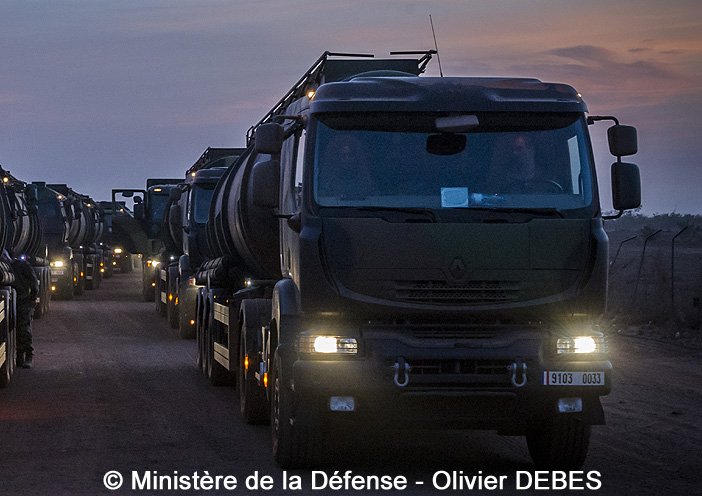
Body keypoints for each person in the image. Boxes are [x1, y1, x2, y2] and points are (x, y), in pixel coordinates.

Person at [8, 252, 39, 368]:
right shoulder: (12, 266)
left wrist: (33, 298)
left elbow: (33, 282)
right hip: (14, 301)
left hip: (22, 301)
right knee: (15, 328)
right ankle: (19, 356)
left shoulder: (23, 265)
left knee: (23, 328)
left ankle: (28, 354)